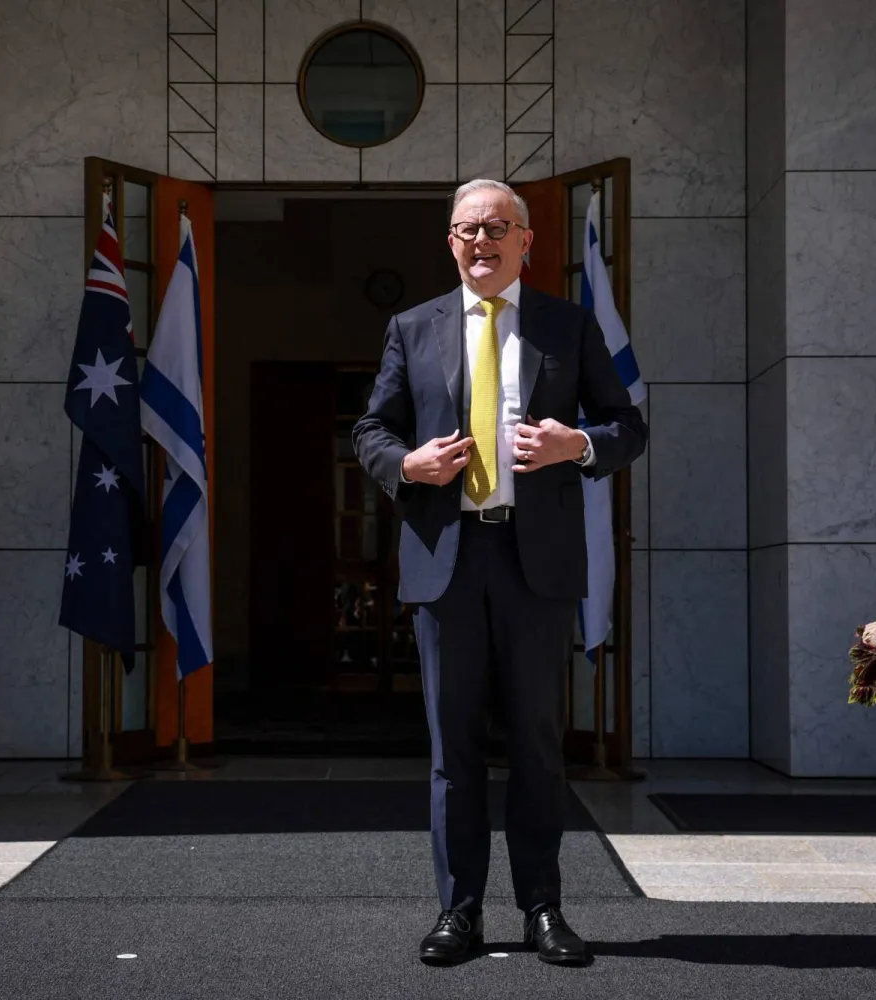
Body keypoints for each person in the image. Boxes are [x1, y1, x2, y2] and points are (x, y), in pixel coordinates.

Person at [353, 179, 648, 966]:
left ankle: (543, 909)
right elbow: (371, 429)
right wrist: (407, 464)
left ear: (525, 241)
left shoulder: (568, 324)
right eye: (464, 230)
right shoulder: (412, 328)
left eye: (494, 228)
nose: (478, 242)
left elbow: (628, 426)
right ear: (449, 243)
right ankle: (460, 912)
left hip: (535, 560)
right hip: (448, 561)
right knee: (454, 750)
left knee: (538, 744)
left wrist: (575, 447)